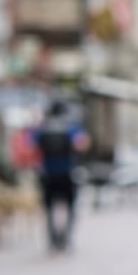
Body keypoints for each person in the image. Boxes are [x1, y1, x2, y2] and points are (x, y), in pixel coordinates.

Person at [29, 102, 89, 252]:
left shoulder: (42, 127)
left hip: (47, 174)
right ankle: (66, 238)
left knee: (49, 209)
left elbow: (31, 146)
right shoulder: (71, 126)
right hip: (67, 173)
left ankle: (52, 239)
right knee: (71, 207)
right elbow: (82, 144)